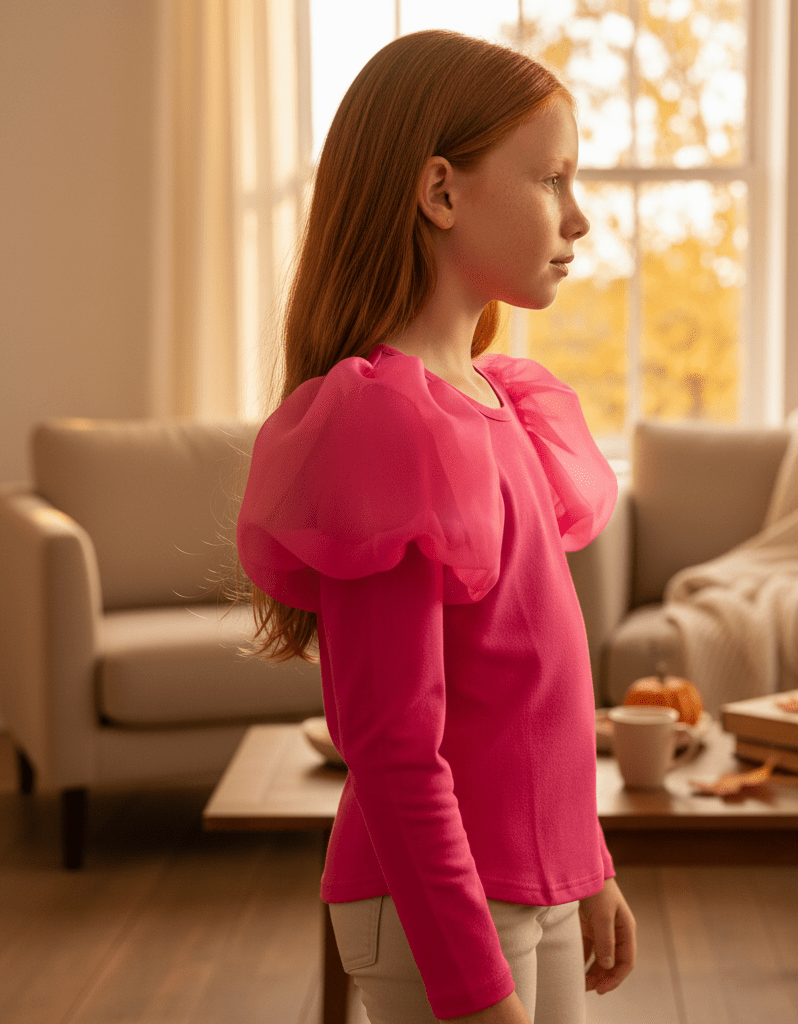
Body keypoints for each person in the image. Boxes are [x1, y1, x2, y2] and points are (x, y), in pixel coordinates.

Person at [236, 29, 636, 1024]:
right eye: (551, 179)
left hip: (530, 887)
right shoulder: (386, 428)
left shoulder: (505, 406)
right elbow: (391, 744)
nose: (578, 218)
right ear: (441, 192)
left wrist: (587, 862)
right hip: (438, 908)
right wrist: (470, 984)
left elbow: (534, 689)